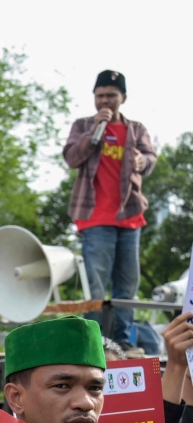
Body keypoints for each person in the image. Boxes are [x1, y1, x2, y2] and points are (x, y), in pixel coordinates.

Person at [64, 70, 157, 350]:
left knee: (127, 285)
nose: (105, 100)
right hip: (95, 218)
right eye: (100, 95)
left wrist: (144, 160)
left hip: (129, 216)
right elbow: (71, 157)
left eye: (111, 95)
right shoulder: (82, 125)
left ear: (123, 98)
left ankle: (124, 342)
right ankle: (92, 341)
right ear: (94, 97)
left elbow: (151, 157)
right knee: (96, 284)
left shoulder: (136, 129)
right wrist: (94, 131)